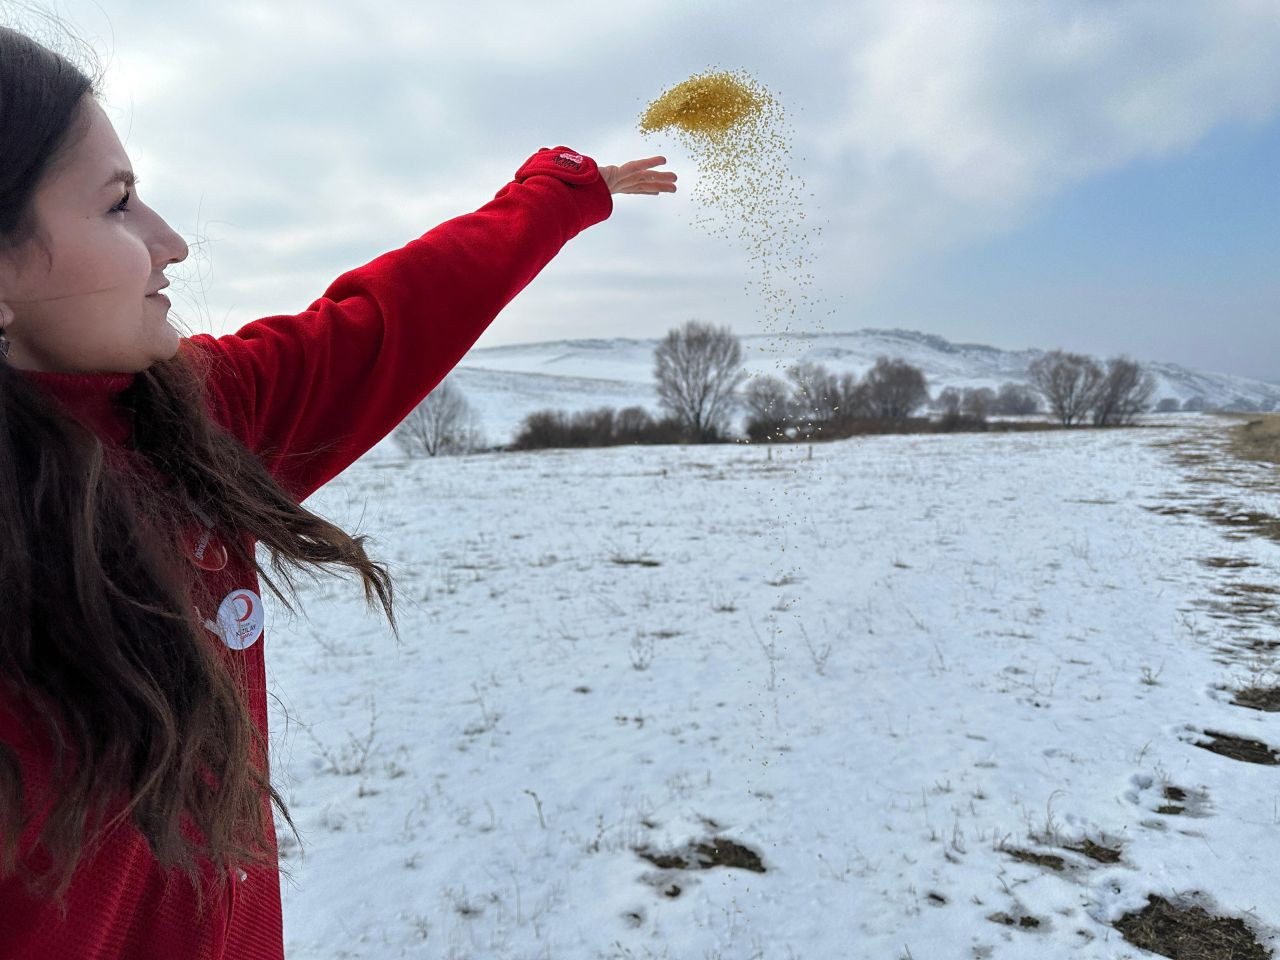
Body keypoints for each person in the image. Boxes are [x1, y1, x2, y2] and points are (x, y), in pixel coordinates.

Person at [0, 20, 676, 960]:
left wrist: (557, 194)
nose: (172, 243)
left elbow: (382, 321)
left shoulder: (185, 419)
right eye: (117, 206)